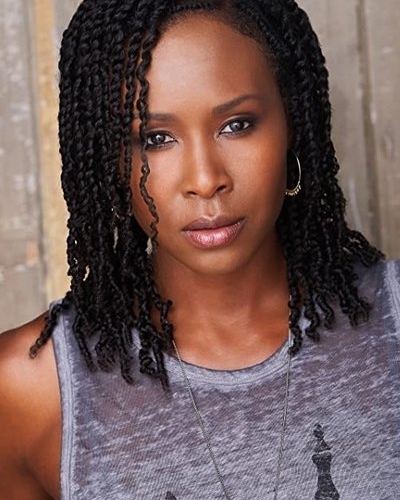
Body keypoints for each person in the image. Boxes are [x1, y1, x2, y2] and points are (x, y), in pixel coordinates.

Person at [0, 0, 399, 499]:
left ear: (293, 122)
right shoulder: (31, 391)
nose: (206, 180)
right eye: (156, 138)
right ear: (111, 160)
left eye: (237, 125)